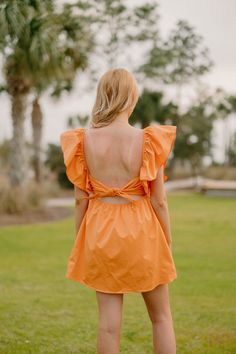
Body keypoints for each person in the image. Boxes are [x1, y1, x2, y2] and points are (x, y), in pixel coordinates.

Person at [60, 68, 177, 354]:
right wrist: (167, 239)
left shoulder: (82, 141)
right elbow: (158, 200)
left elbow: (80, 200)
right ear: (130, 97)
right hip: (142, 231)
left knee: (108, 325)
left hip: (101, 232)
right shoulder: (148, 140)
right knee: (160, 317)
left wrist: (82, 239)